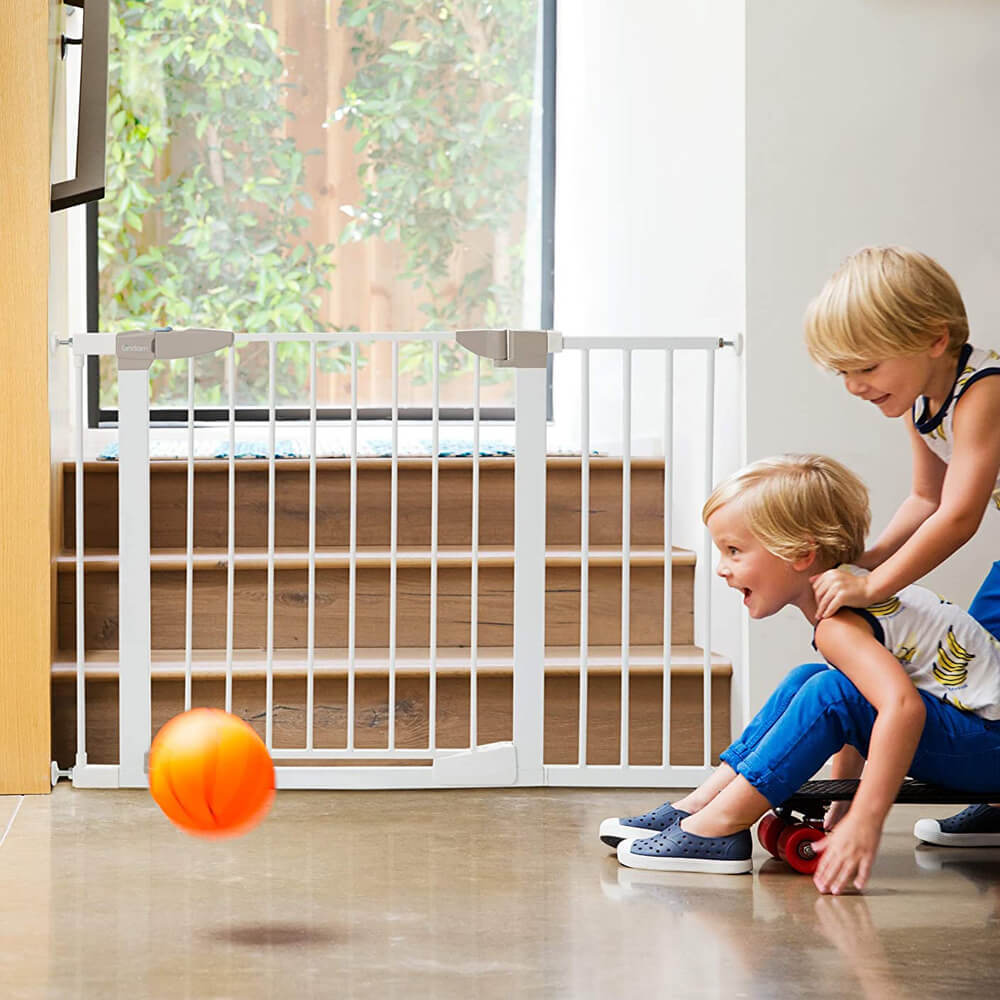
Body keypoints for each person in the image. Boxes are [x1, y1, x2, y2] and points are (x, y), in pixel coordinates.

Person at [602, 454, 1000, 893]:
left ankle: (719, 827)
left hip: (990, 750)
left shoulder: (838, 624)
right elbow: (860, 705)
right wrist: (842, 799)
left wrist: (867, 818)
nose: (721, 567)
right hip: (981, 740)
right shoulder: (853, 592)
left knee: (829, 691)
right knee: (808, 680)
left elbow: (901, 708)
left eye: (734, 551)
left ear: (800, 554)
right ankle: (704, 803)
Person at [805, 246, 1000, 845]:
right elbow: (925, 498)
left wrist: (873, 586)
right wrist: (867, 558)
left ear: (935, 339)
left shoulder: (985, 391)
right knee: (983, 680)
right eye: (842, 372)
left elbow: (960, 517)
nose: (853, 386)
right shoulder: (923, 404)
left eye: (866, 367)